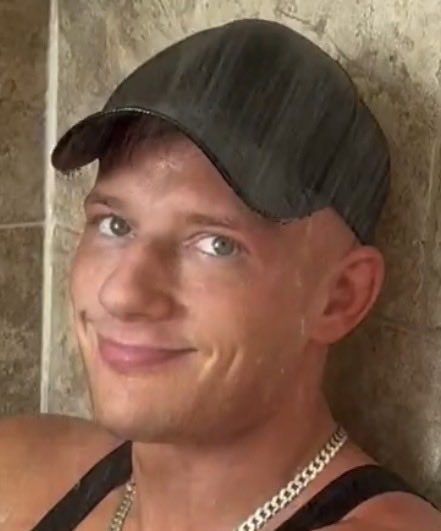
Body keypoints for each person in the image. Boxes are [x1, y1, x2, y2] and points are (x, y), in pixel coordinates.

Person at [0, 18, 439, 531]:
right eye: (115, 224)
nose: (122, 293)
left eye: (216, 245)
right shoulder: (20, 477)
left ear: (340, 297)